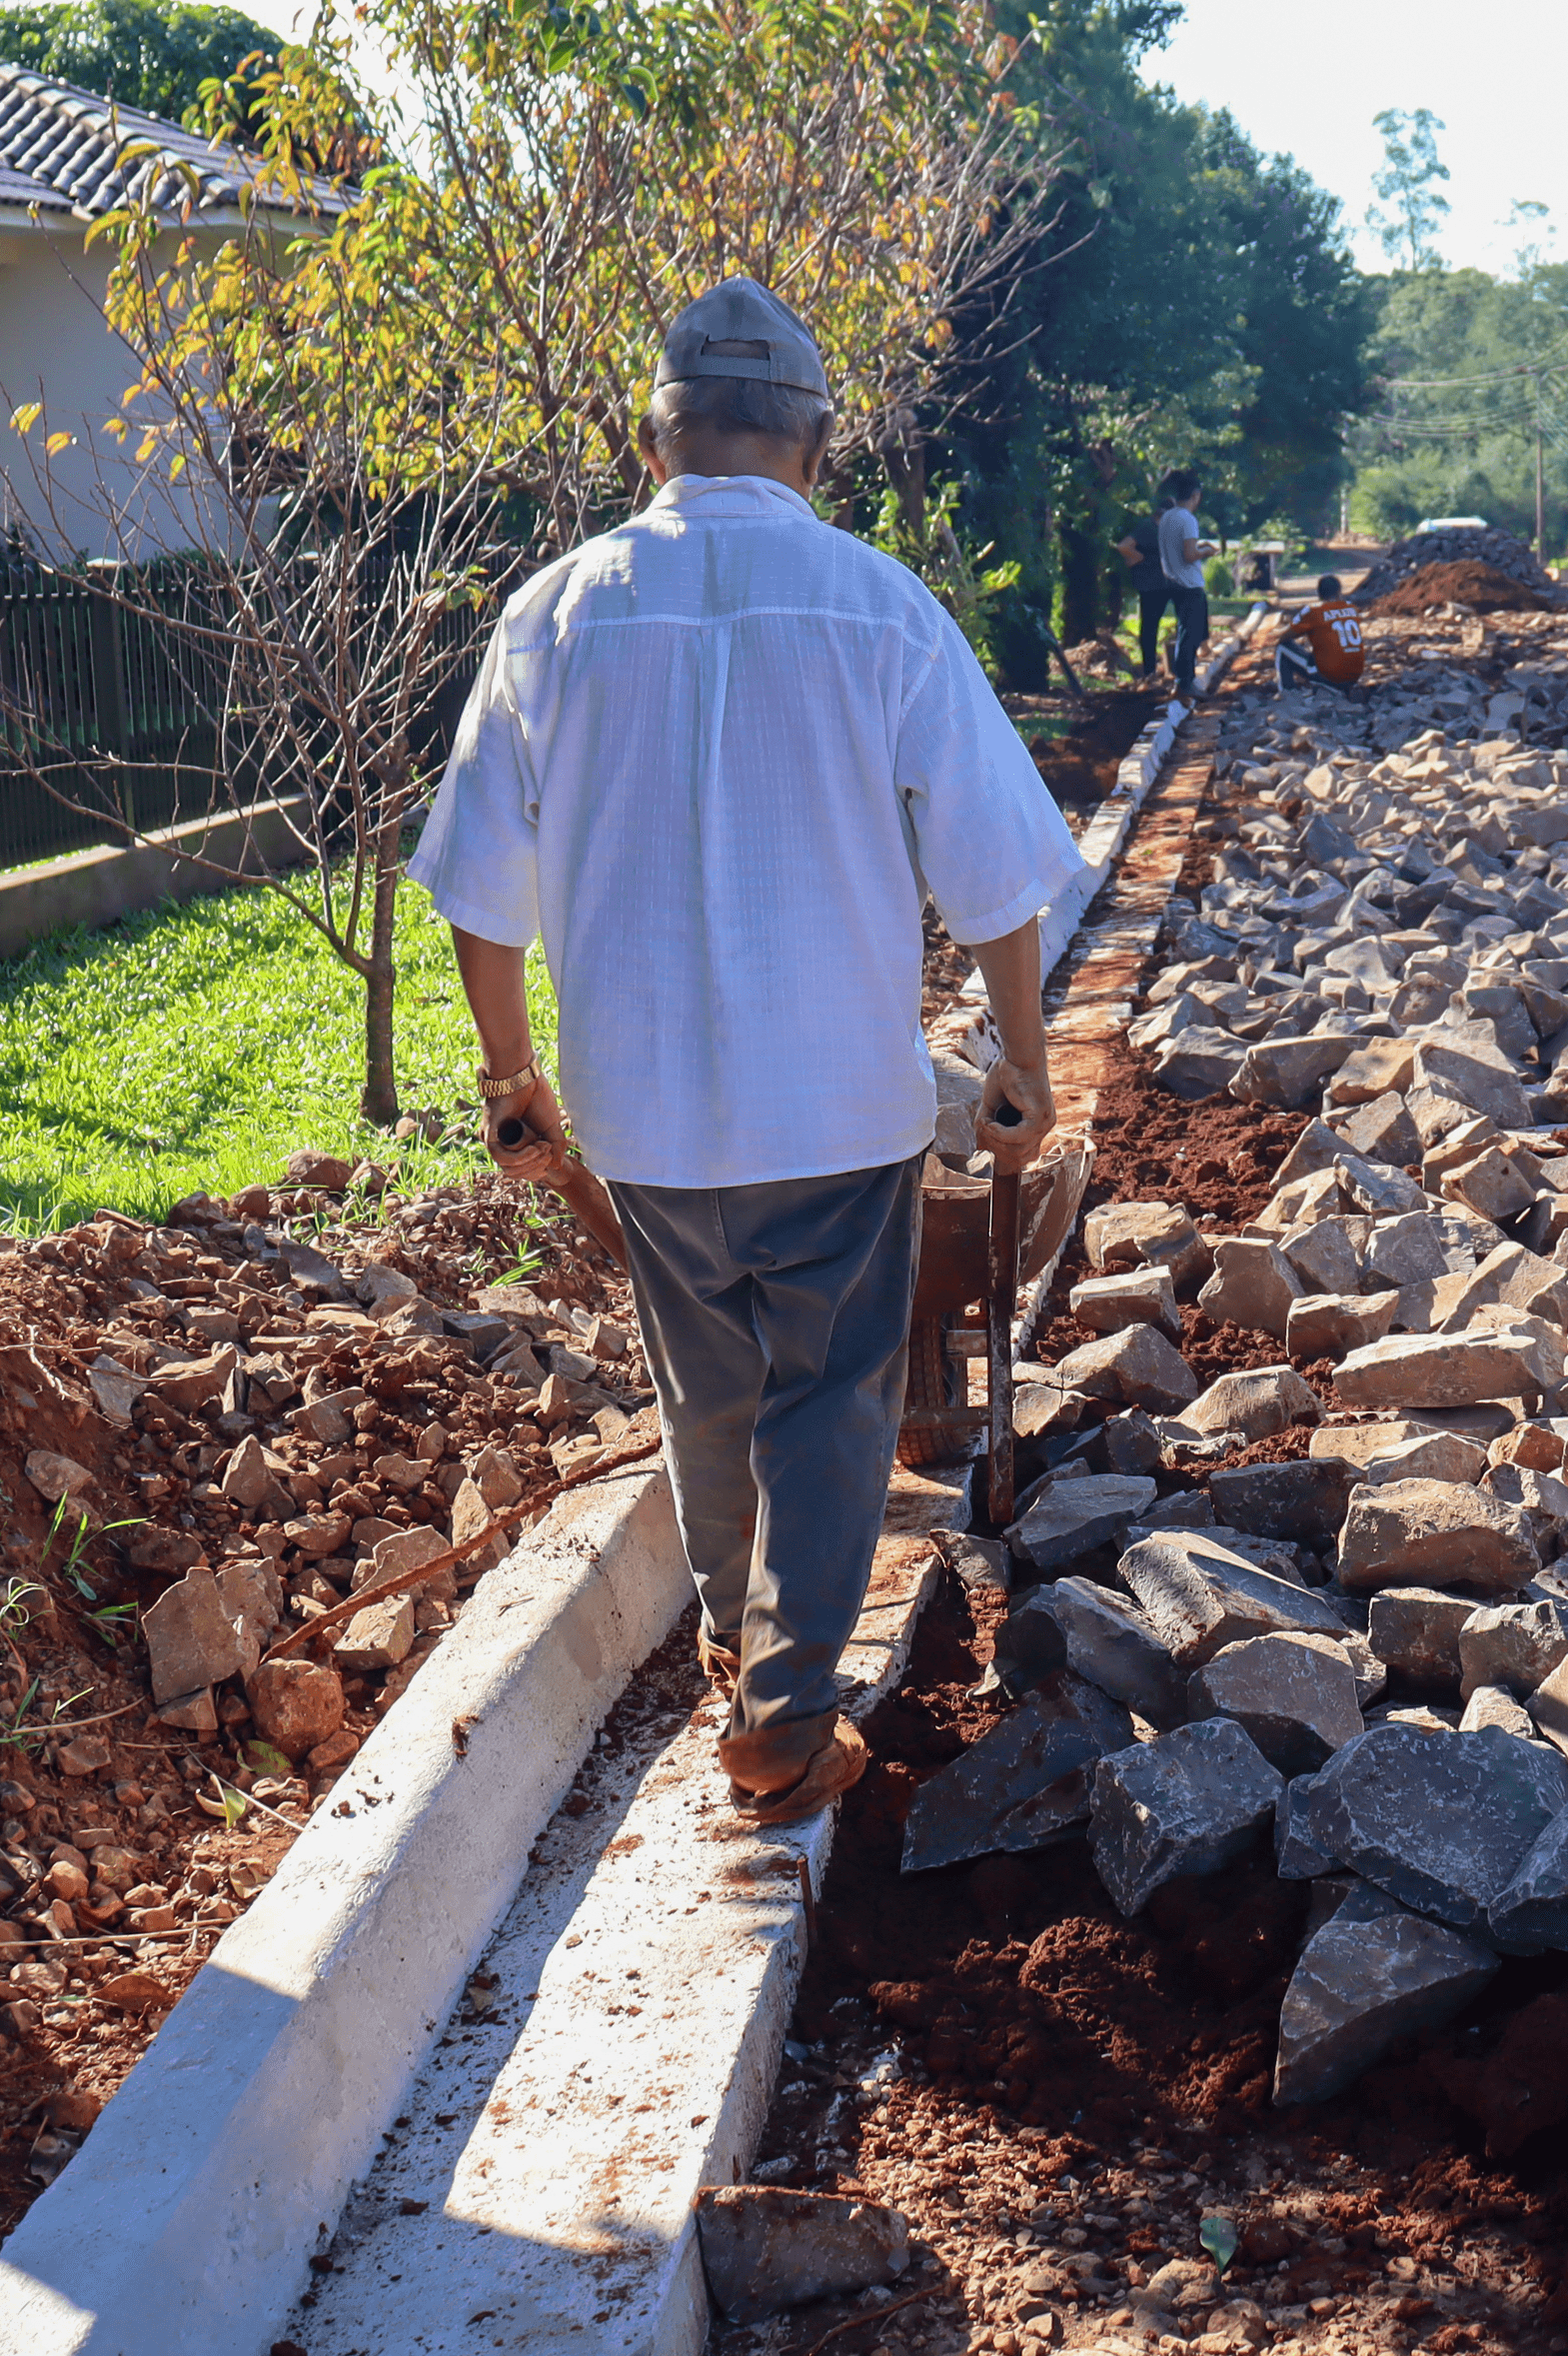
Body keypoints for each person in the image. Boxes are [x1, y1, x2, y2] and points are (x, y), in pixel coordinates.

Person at [409, 278, 1083, 1826]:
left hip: (643, 1119)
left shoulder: (558, 612)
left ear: (655, 443)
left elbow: (476, 884)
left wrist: (517, 1084)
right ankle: (781, 1718)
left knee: (708, 1392)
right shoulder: (879, 607)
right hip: (833, 1110)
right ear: (816, 447)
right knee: (829, 1400)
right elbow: (994, 868)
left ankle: (738, 1651)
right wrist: (1024, 1062)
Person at [1146, 468, 1212, 687]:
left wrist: (1196, 547)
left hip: (1171, 580)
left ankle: (1185, 678)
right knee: (1189, 634)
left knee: (1187, 629)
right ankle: (1184, 681)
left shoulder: (1166, 517)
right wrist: (1206, 552)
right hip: (1190, 583)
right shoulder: (1188, 519)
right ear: (1195, 495)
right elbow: (1189, 554)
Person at [1276, 570, 1369, 693]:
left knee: (1282, 647)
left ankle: (1287, 694)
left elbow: (1285, 636)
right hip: (1354, 675)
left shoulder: (1313, 610)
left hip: (1329, 676)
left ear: (1319, 595)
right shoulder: (1352, 608)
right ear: (1339, 592)